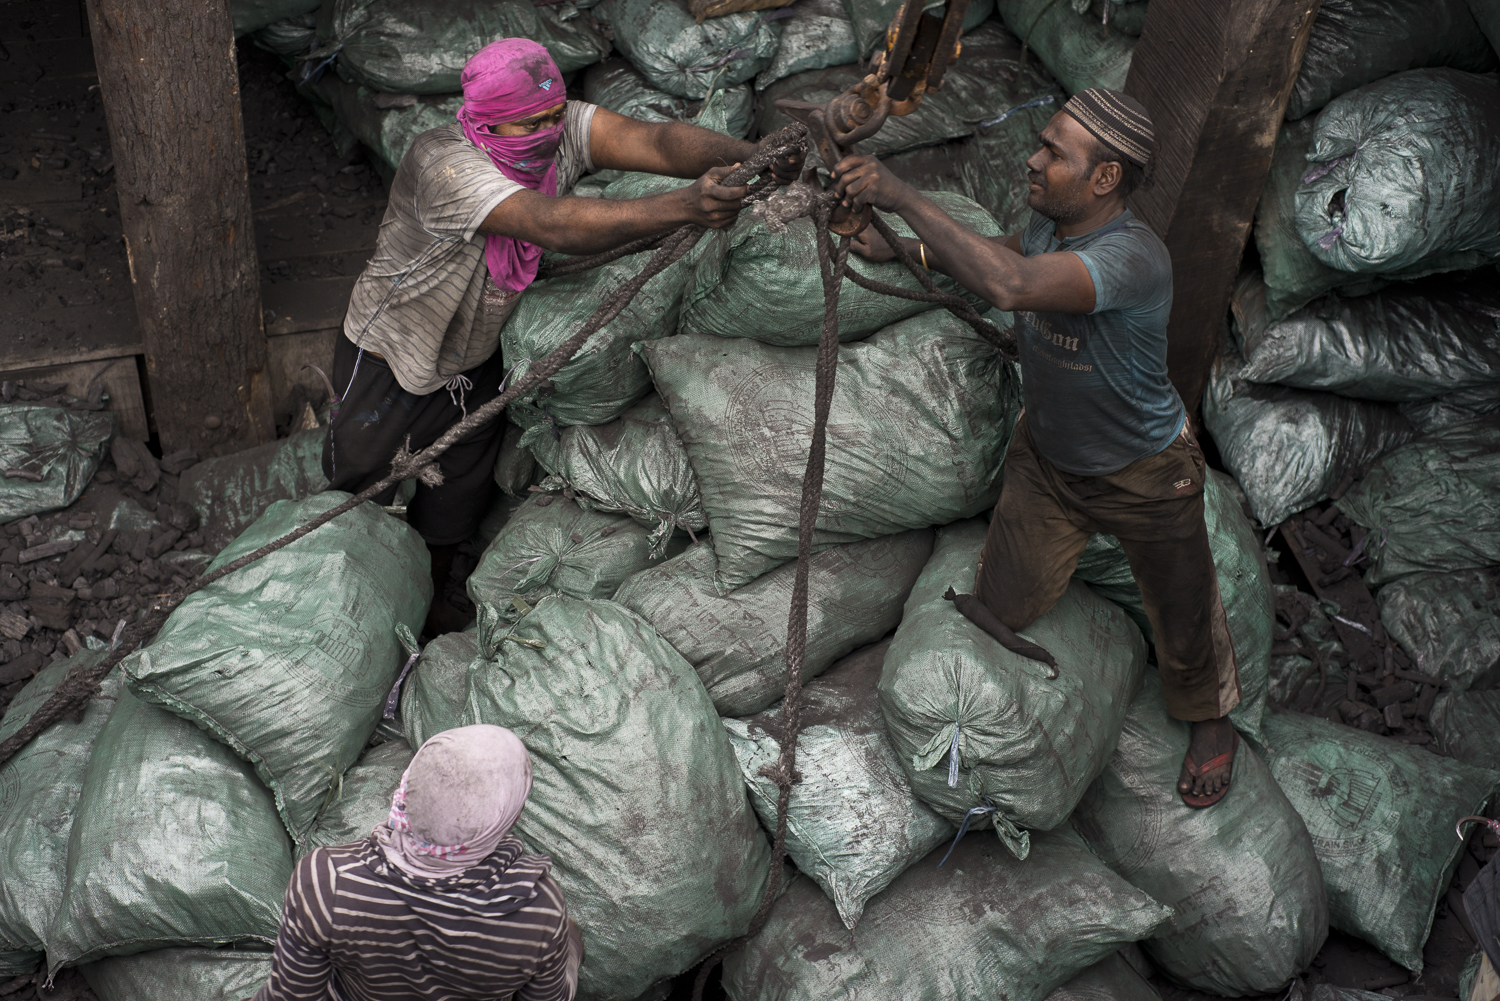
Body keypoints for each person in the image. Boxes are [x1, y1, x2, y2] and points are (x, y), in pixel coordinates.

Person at [829, 88, 1242, 808]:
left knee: (1183, 611)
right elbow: (1011, 255)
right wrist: (911, 249)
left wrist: (898, 194)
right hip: (1050, 461)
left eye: (1054, 152)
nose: (1033, 158)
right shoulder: (1050, 225)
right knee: (1003, 603)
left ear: (1105, 178)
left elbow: (1011, 285)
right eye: (1042, 142)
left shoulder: (1133, 257)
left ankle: (1212, 727)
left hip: (1144, 469)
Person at [323, 37, 801, 636]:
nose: (549, 133)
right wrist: (686, 206)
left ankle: (426, 606)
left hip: (474, 360)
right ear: (486, 120)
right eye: (531, 122)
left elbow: (652, 141)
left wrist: (747, 154)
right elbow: (549, 223)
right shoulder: (443, 164)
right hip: (392, 353)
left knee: (453, 504)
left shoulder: (561, 128)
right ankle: (350, 622)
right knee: (362, 488)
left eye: (555, 115)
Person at [256, 725, 580, 1001]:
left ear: (406, 787)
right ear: (510, 819)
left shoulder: (325, 881)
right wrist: (569, 948)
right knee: (572, 938)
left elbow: (289, 996)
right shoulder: (540, 914)